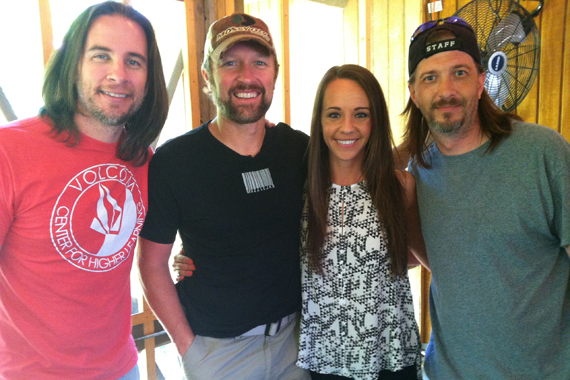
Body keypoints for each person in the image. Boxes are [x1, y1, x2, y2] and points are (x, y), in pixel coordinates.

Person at [137, 13, 310, 380]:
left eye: (259, 62)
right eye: (230, 63)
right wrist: (189, 348)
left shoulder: (298, 149)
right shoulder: (176, 160)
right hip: (218, 354)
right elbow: (152, 264)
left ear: (274, 72)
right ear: (207, 75)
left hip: (295, 345)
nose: (246, 76)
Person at [0, 2, 168, 379]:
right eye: (100, 56)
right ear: (73, 64)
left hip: (122, 367)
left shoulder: (142, 159)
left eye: (134, 62)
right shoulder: (9, 152)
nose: (117, 74)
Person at [400, 17, 570, 379]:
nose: (446, 90)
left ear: (481, 81)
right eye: (430, 77)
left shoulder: (543, 153)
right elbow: (443, 263)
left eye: (459, 73)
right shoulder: (417, 173)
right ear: (414, 93)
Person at [296, 64, 428, 380]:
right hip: (326, 360)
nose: (347, 127)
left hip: (392, 356)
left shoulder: (400, 187)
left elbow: (417, 256)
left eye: (360, 114)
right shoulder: (300, 190)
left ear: (375, 120)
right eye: (334, 114)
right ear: (319, 120)